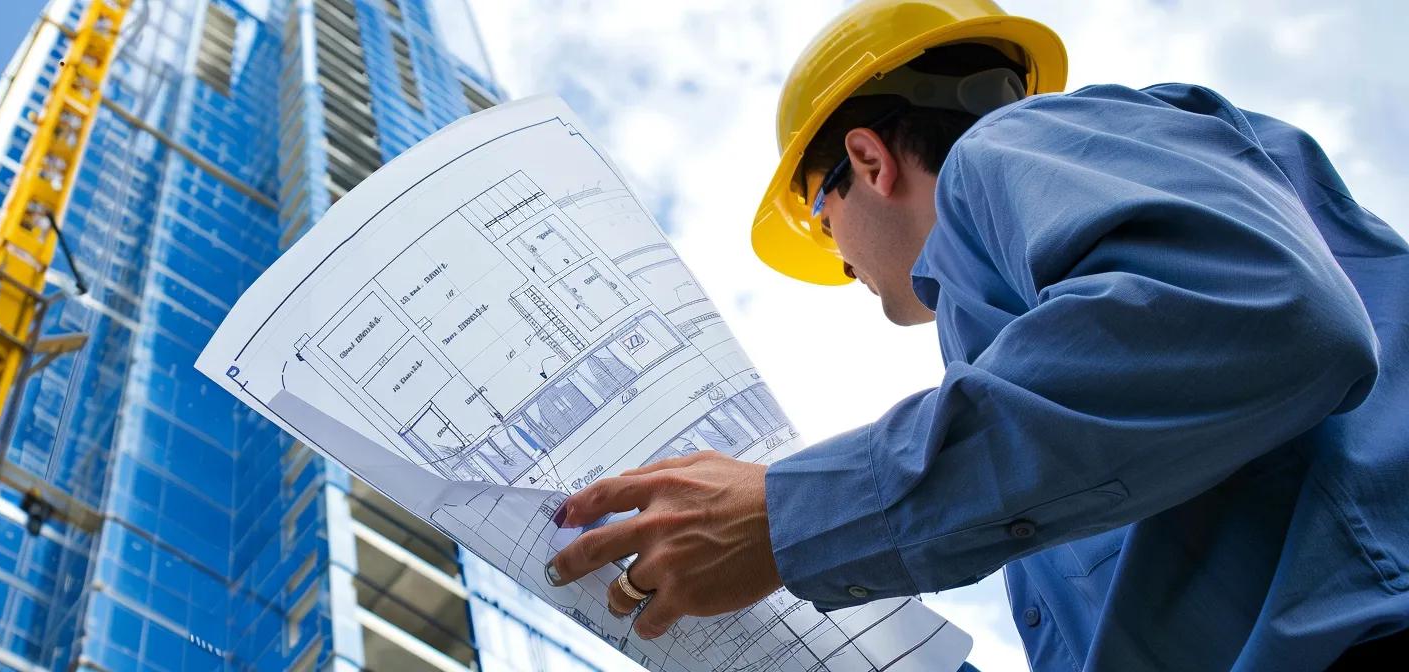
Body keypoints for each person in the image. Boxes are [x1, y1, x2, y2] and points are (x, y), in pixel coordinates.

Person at [541, 0, 1409, 669]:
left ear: (871, 161)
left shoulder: (1007, 148)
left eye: (821, 212)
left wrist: (787, 514)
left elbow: (1260, 316)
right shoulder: (1027, 379)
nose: (842, 263)